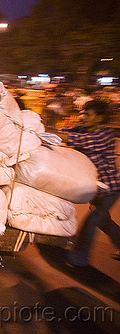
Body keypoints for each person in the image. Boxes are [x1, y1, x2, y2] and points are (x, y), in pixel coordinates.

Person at [47, 99, 120, 267]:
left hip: (110, 188)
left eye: (87, 114)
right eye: (82, 113)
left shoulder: (106, 135)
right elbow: (61, 132)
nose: (82, 117)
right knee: (103, 221)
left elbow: (77, 139)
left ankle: (80, 258)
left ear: (99, 118)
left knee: (92, 220)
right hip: (95, 188)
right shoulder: (82, 129)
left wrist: (51, 132)